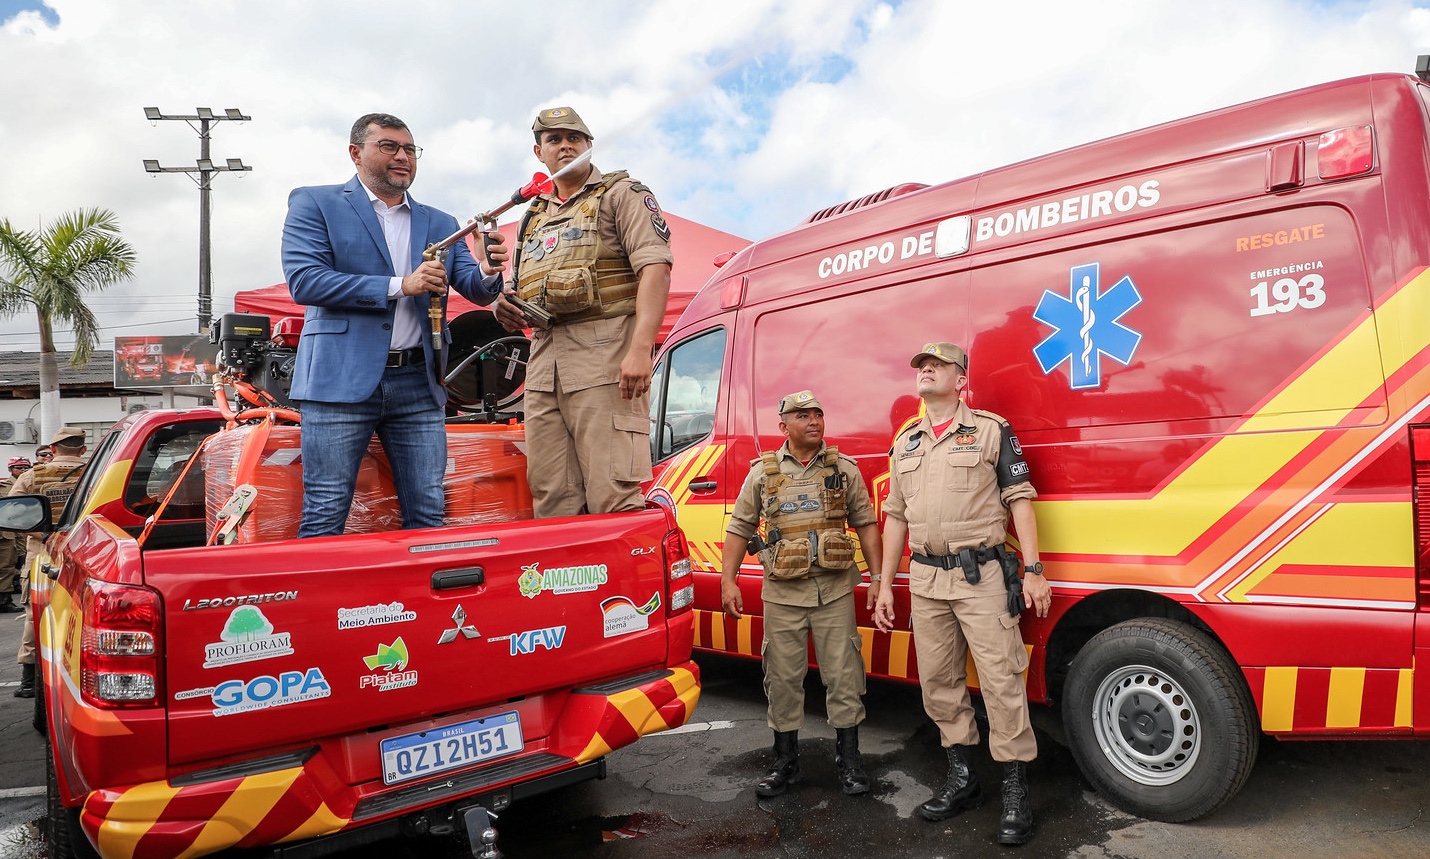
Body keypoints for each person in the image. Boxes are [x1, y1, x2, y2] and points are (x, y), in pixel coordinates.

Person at [281, 113, 509, 537]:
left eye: (409, 149)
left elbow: (476, 289)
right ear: (355, 153)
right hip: (338, 379)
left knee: (428, 510)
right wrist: (400, 285)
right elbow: (305, 281)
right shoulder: (315, 203)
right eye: (389, 146)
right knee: (326, 508)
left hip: (418, 382)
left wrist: (488, 268)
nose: (403, 156)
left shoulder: (440, 222)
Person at [873, 342, 1052, 846]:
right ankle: (963, 779)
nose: (926, 370)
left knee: (1001, 680)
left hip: (982, 577)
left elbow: (1020, 500)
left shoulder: (991, 430)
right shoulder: (906, 441)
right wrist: (885, 585)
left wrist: (1034, 570)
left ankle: (1015, 789)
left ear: (960, 380)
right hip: (926, 580)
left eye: (938, 365)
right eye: (921, 365)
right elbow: (895, 518)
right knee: (938, 683)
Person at [492, 106, 673, 518]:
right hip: (544, 364)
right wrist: (506, 303)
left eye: (575, 138)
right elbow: (520, 285)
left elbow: (656, 268)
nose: (566, 146)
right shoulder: (533, 216)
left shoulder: (621, 194)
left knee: (612, 494)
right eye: (554, 140)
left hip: (606, 358)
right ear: (539, 152)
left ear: (590, 145)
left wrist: (640, 349)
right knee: (551, 497)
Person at [721, 390, 883, 798]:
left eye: (818, 414)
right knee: (782, 678)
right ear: (784, 426)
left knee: (845, 676)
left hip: (834, 591)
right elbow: (740, 527)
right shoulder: (763, 473)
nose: (813, 421)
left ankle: (850, 760)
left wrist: (878, 578)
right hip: (782, 594)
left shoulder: (843, 469)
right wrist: (728, 580)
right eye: (803, 415)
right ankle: (785, 762)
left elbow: (866, 523)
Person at [10, 427, 90, 699]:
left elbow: (14, 514)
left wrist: (46, 536)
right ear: (83, 449)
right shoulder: (97, 473)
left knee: (35, 616)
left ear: (53, 449)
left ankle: (29, 681)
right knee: (84, 615)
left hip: (42, 557)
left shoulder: (32, 475)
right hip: (87, 555)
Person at [0, 457, 29, 613]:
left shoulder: (29, 483)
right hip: (5, 532)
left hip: (15, 532)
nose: (23, 470)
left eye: (26, 467)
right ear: (11, 469)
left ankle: (4, 600)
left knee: (8, 567)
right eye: (19, 467)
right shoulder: (4, 487)